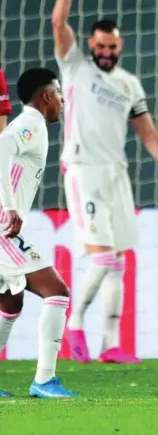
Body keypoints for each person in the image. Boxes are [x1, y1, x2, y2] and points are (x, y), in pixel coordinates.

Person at [51, 0, 158, 364]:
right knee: (102, 256)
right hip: (83, 171)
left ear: (120, 45)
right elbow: (58, 22)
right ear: (91, 45)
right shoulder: (74, 68)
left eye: (112, 46)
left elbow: (145, 129)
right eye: (101, 45)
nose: (106, 51)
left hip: (116, 175)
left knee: (119, 260)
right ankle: (74, 327)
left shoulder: (129, 84)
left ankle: (110, 344)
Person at [0, 68, 78, 398]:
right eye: (59, 93)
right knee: (57, 292)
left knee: (10, 302)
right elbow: (0, 147)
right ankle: (44, 380)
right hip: (2, 229)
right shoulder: (31, 122)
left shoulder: (33, 125)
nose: (62, 100)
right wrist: (10, 206)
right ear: (46, 97)